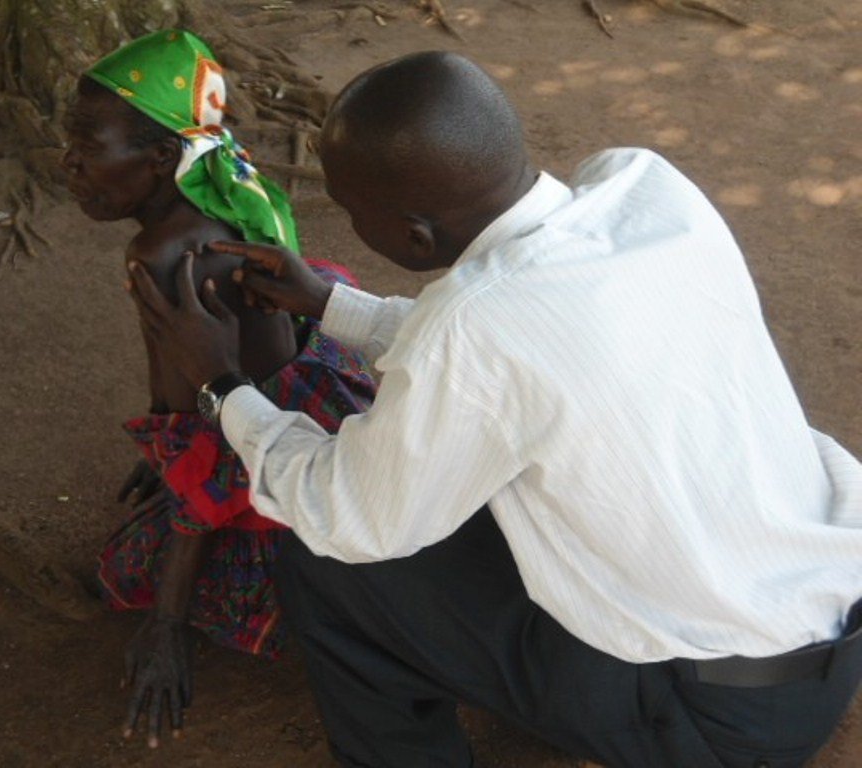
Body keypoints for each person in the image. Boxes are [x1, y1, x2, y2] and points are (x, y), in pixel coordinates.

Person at [127, 50, 862, 767]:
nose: (348, 226)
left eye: (353, 212)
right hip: (820, 630)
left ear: (414, 235)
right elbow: (518, 341)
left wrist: (222, 387)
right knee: (458, 486)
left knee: (327, 566)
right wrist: (332, 305)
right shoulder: (646, 189)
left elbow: (348, 515)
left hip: (717, 725)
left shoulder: (473, 328)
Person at [61, 30, 376, 749]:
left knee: (129, 572)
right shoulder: (225, 185)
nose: (68, 163)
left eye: (88, 144)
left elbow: (208, 430)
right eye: (68, 139)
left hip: (263, 458)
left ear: (161, 158)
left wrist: (166, 624)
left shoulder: (161, 255)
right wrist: (168, 433)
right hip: (298, 412)